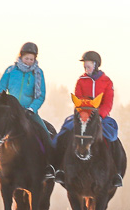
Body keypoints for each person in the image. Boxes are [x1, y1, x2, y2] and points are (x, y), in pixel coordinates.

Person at [49, 50, 123, 187]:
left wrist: (99, 115)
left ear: (96, 65)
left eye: (88, 66)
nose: (86, 69)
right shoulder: (81, 81)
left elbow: (108, 102)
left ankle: (117, 173)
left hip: (102, 116)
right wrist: (84, 114)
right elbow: (78, 100)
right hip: (82, 115)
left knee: (113, 137)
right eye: (85, 67)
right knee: (63, 133)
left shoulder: (107, 82)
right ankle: (57, 168)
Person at [0, 42, 48, 179]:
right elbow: (1, 88)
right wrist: (2, 102)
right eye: (27, 58)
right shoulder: (11, 70)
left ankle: (49, 166)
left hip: (28, 111)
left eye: (32, 59)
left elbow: (40, 95)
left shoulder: (38, 73)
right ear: (21, 57)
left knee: (45, 132)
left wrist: (32, 108)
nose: (29, 61)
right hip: (10, 111)